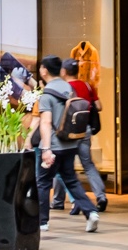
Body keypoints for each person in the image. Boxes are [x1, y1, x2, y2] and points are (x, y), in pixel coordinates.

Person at [35, 56, 100, 232]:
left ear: (44, 71)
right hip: (70, 143)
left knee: (42, 182)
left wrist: (46, 149)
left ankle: (42, 222)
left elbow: (46, 122)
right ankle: (91, 211)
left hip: (54, 145)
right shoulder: (69, 89)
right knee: (71, 180)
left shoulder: (47, 94)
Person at [61, 57, 108, 212]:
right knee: (88, 165)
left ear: (64, 71)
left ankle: (62, 200)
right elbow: (99, 106)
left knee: (63, 165)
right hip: (85, 130)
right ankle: (101, 196)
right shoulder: (88, 86)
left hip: (69, 133)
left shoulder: (63, 88)